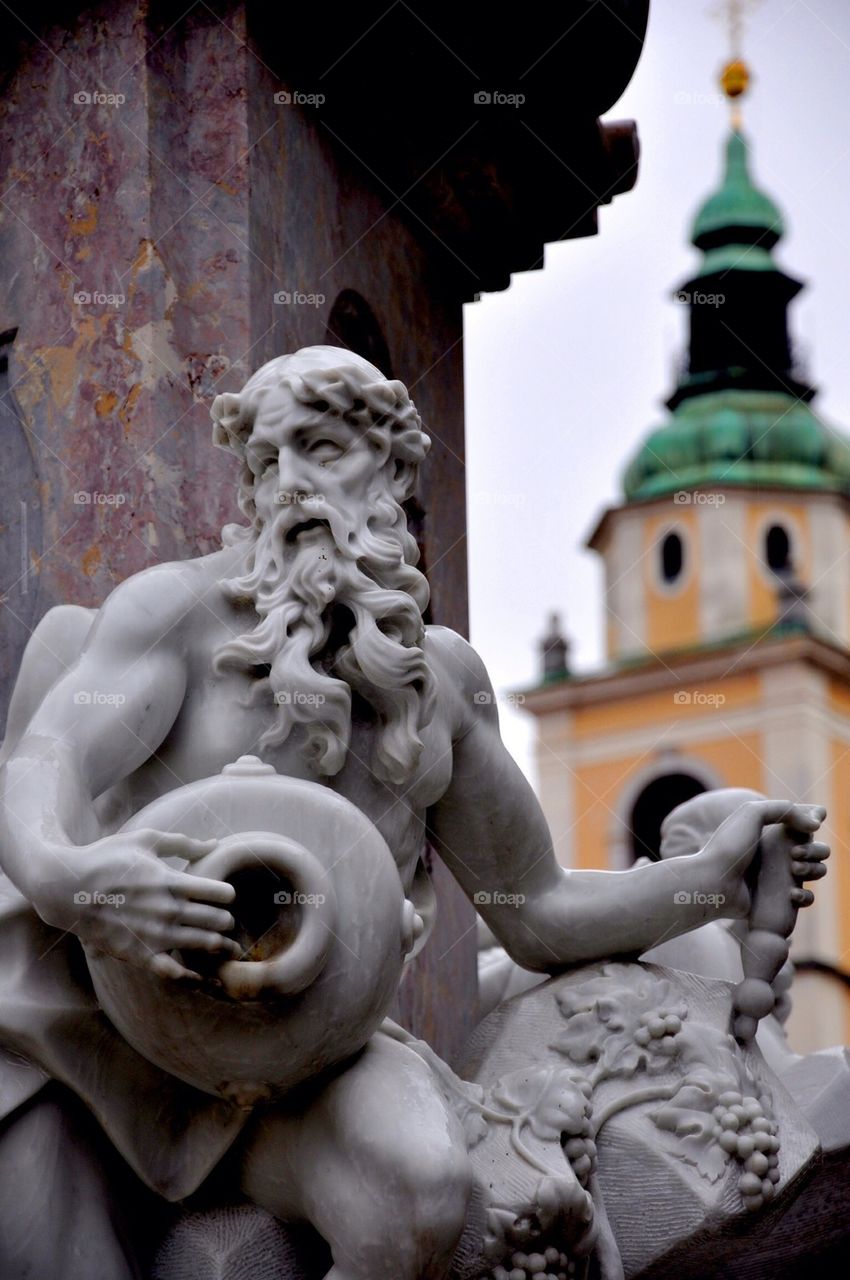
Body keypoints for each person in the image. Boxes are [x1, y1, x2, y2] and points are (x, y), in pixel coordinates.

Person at [0, 347, 828, 1280]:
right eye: (269, 464)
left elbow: (536, 912)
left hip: (304, 1066)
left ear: (391, 470)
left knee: (421, 1198)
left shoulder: (440, 684)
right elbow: (44, 767)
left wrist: (704, 886)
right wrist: (83, 887)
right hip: (108, 1048)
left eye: (320, 449)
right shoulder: (177, 618)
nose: (295, 486)